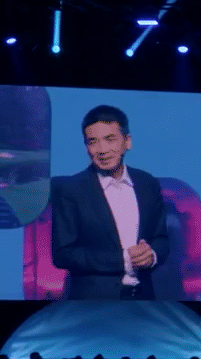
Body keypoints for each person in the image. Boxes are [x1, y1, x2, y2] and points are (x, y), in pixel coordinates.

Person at [48, 105, 170, 300]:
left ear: (127, 142)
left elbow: (161, 239)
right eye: (93, 142)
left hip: (143, 300)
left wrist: (152, 256)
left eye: (110, 139)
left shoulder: (147, 183)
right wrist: (123, 260)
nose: (102, 150)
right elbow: (63, 254)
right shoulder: (71, 190)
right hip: (92, 303)